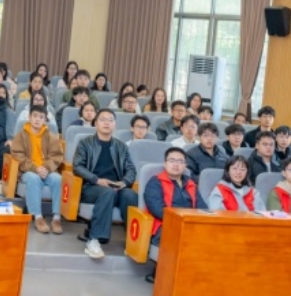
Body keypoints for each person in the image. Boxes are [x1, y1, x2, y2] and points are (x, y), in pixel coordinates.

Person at [73, 109, 137, 259]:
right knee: (107, 192)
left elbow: (131, 169)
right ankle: (94, 240)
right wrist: (97, 180)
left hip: (116, 187)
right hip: (92, 187)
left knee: (130, 195)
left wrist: (124, 182)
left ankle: (135, 242)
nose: (107, 123)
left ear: (115, 124)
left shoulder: (121, 146)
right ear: (95, 123)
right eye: (103, 119)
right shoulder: (85, 143)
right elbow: (77, 167)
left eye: (110, 120)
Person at [143, 148, 200, 283]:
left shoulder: (191, 184)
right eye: (172, 160)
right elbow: (157, 209)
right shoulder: (155, 182)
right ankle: (165, 273)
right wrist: (181, 221)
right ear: (165, 163)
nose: (176, 164)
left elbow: (202, 207)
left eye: (180, 161)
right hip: (165, 224)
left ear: (185, 165)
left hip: (190, 224)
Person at [8, 106, 66, 234]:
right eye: (35, 116)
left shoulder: (51, 136)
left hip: (47, 170)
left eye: (41, 117)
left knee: (58, 179)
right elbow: (17, 155)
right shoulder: (21, 136)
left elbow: (57, 156)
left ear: (45, 120)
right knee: (33, 179)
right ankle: (38, 217)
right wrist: (35, 168)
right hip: (28, 171)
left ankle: (56, 218)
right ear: (29, 117)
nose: (37, 119)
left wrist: (45, 168)